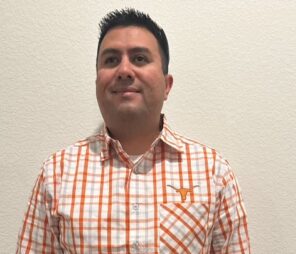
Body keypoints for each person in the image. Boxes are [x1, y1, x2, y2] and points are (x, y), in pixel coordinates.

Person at [16, 8, 250, 253]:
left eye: (139, 58)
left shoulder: (213, 172)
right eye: (111, 60)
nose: (124, 70)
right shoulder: (57, 174)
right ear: (98, 82)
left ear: (167, 85)